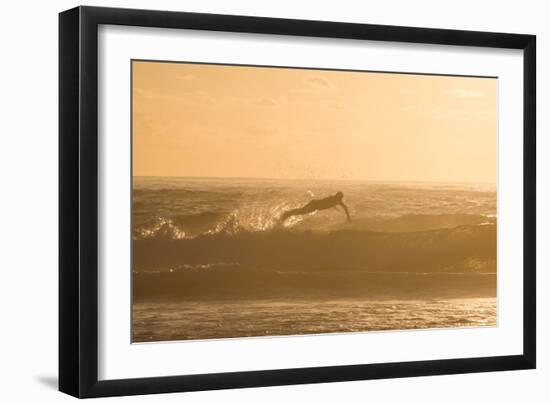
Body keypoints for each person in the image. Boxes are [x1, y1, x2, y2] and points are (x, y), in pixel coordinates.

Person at [280, 191, 351, 223]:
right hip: (314, 204)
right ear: (337, 196)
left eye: (340, 198)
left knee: (302, 211)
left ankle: (288, 213)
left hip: (315, 206)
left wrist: (348, 217)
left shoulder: (337, 201)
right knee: (302, 211)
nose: (340, 199)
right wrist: (333, 206)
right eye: (339, 197)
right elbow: (326, 202)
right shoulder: (332, 199)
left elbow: (345, 208)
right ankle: (287, 214)